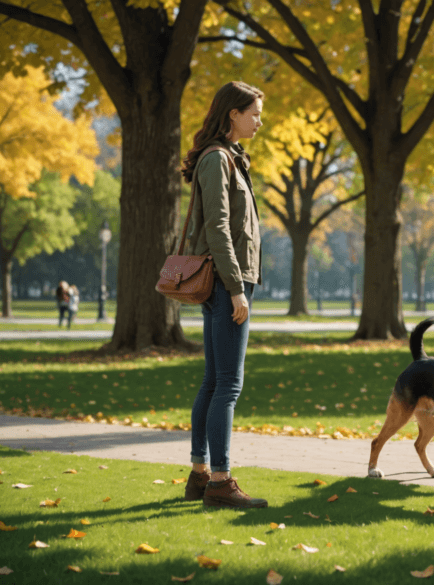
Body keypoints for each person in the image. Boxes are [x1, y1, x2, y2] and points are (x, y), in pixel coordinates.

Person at [180, 80, 266, 509]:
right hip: (227, 282)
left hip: (226, 281)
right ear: (232, 113)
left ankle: (200, 476)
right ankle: (221, 481)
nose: (258, 121)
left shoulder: (229, 158)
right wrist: (236, 289)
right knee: (228, 384)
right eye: (253, 113)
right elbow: (217, 230)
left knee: (214, 381)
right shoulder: (218, 160)